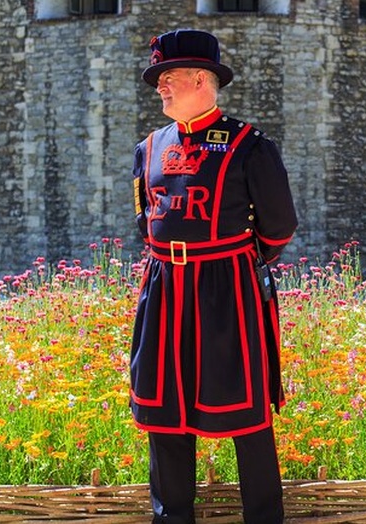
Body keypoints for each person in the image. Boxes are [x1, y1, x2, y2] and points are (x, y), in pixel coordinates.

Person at [129, 29, 298, 524]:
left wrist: (230, 264)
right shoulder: (148, 148)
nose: (160, 86)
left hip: (227, 291)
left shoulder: (250, 146)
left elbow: (279, 225)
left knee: (246, 414)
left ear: (201, 79)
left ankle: (264, 518)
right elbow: (147, 220)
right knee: (164, 412)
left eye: (168, 77)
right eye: (158, 79)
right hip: (163, 289)